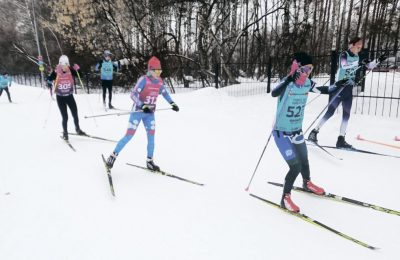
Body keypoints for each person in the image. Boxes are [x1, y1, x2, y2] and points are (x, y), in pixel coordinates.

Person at [271, 52, 349, 212]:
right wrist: (289, 78)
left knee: (304, 160)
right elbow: (274, 93)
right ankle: (285, 198)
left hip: (296, 130)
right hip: (281, 132)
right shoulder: (287, 83)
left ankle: (307, 183)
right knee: (295, 166)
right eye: (306, 68)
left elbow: (325, 89)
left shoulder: (307, 83)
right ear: (297, 66)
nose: (308, 72)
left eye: (311, 69)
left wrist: (339, 84)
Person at [308, 37, 386, 148]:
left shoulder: (358, 56)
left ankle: (341, 139)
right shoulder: (344, 54)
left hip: (348, 89)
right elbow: (344, 65)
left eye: (361, 44)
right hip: (340, 87)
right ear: (351, 45)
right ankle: (314, 132)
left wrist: (378, 60)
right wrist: (359, 63)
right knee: (330, 112)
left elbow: (369, 66)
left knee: (346, 114)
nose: (360, 46)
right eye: (358, 44)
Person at [105, 56, 179, 171]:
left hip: (150, 114)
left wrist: (172, 103)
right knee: (129, 136)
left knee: (151, 138)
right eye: (156, 70)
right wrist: (142, 105)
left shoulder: (159, 82)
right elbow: (133, 94)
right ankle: (112, 156)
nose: (159, 73)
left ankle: (150, 161)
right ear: (150, 70)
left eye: (160, 70)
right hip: (138, 112)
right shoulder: (144, 80)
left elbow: (164, 93)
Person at [48, 55, 86, 140]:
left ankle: (78, 129)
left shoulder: (70, 70)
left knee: (75, 114)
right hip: (60, 98)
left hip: (69, 96)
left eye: (66, 65)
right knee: (65, 117)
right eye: (62, 65)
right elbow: (49, 79)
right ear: (60, 64)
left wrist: (78, 69)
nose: (64, 67)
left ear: (68, 64)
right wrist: (49, 81)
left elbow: (81, 76)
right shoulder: (56, 72)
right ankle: (65, 133)